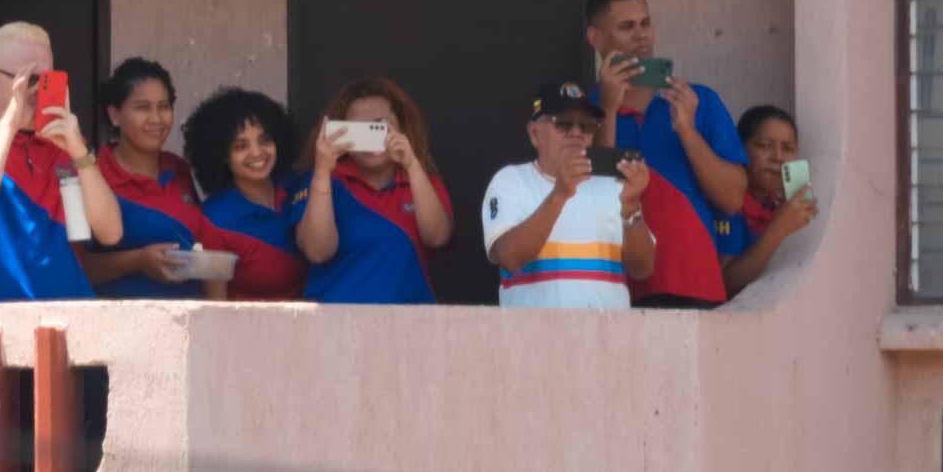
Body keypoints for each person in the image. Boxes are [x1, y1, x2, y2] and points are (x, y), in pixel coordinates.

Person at [587, 0, 749, 309]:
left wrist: (687, 130)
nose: (642, 36)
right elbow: (590, 197)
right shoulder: (580, 111)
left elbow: (733, 200)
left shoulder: (699, 100)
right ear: (596, 38)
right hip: (613, 289)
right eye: (627, 27)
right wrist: (608, 110)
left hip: (696, 283)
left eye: (646, 24)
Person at [0, 22, 122, 302]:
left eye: (47, 80)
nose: (37, 91)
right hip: (0, 318)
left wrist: (79, 153)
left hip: (73, 311)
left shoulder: (67, 143)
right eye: (29, 80)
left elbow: (110, 233)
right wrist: (11, 122)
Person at [80, 58, 260, 300]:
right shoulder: (93, 172)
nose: (156, 119)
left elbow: (197, 243)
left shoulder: (177, 169)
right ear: (114, 115)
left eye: (164, 107)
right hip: (122, 318)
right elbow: (75, 266)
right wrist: (137, 261)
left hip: (189, 316)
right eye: (143, 108)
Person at [482, 82, 654, 309]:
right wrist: (560, 194)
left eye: (586, 126)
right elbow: (509, 257)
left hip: (609, 331)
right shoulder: (511, 181)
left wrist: (631, 207)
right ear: (534, 133)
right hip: (533, 331)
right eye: (563, 123)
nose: (576, 132)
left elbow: (643, 269)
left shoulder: (614, 186)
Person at [295, 77, 453, 305]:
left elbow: (437, 238)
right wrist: (322, 172)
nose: (370, 138)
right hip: (334, 319)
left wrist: (411, 164)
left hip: (410, 318)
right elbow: (317, 251)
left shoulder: (420, 181)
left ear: (401, 129)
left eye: (379, 127)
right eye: (359, 130)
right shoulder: (324, 181)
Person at [183, 86, 309, 300]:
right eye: (241, 146)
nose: (257, 152)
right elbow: (215, 306)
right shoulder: (214, 220)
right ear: (222, 155)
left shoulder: (298, 187)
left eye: (264, 140)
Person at [721, 105, 819, 296]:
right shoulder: (727, 203)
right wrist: (779, 227)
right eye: (765, 145)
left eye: (788, 148)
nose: (778, 157)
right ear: (740, 149)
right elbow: (725, 284)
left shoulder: (780, 206)